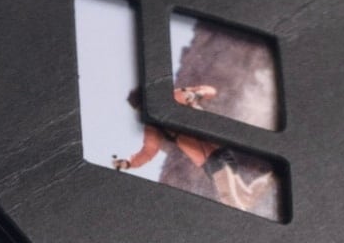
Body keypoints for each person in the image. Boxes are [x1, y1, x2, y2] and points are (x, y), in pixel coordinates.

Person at [115, 86, 272, 211]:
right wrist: (128, 163)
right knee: (246, 198)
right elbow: (148, 151)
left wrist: (196, 94)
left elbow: (209, 90)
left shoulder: (174, 97)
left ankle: (244, 233)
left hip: (214, 155)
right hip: (211, 158)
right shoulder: (153, 126)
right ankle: (274, 177)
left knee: (229, 199)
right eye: (142, 109)